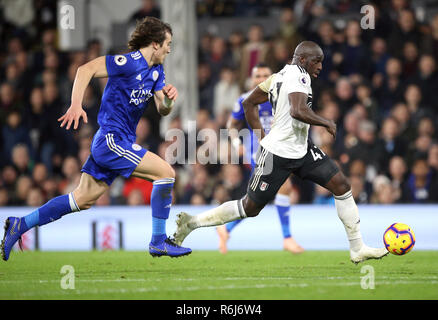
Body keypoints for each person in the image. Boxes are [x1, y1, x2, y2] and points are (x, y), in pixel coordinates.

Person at [173, 41, 388, 264]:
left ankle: (357, 248)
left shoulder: (277, 76)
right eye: (317, 61)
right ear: (303, 59)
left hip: (302, 149)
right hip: (278, 153)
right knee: (250, 207)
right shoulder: (299, 76)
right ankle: (192, 223)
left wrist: (260, 136)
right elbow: (297, 110)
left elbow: (249, 102)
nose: (320, 67)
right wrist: (325, 122)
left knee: (341, 185)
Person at [1, 17, 191, 261]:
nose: (169, 48)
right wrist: (75, 105)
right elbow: (85, 69)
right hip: (112, 140)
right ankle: (158, 241)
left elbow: (162, 109)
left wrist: (168, 99)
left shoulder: (156, 72)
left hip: (117, 142)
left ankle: (20, 224)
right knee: (166, 173)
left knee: (81, 199)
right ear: (155, 43)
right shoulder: (127, 62)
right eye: (167, 43)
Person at [217, 63, 304, 254]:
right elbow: (231, 125)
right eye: (258, 76)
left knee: (256, 200)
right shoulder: (245, 99)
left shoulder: (282, 98)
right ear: (252, 79)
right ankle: (287, 238)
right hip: (258, 151)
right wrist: (235, 143)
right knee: (285, 186)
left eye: (265, 75)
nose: (262, 79)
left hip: (280, 149)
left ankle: (225, 228)